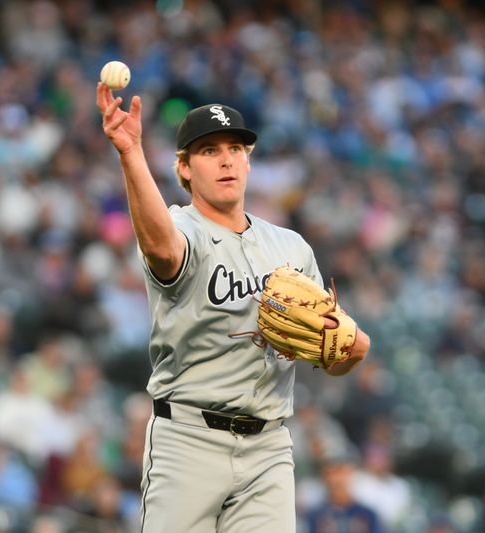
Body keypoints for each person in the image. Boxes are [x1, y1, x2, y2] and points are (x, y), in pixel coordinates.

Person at [96, 83, 371, 532]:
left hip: (269, 447)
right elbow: (165, 252)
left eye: (236, 148)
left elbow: (330, 355)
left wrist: (348, 350)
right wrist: (130, 155)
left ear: (248, 160)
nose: (226, 159)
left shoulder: (291, 247)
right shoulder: (181, 228)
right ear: (183, 169)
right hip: (189, 440)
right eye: (208, 151)